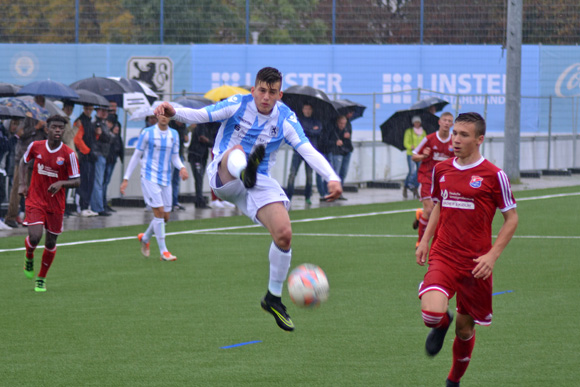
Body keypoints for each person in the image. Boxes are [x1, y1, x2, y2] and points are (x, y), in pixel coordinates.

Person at [154, 67, 342, 331]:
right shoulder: (238, 104)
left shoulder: (286, 118)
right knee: (236, 151)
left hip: (259, 181)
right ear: (253, 90)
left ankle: (273, 297)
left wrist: (332, 177)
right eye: (262, 91)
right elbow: (201, 114)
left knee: (284, 234)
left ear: (280, 94)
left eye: (272, 92)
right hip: (226, 175)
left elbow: (307, 150)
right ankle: (246, 170)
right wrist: (173, 111)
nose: (265, 97)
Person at [415, 112, 518, 387]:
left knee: (465, 330)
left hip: (476, 265)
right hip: (444, 255)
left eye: (464, 135)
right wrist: (425, 239)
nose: (456, 139)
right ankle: (441, 323)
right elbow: (439, 204)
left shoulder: (495, 175)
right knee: (431, 314)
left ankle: (453, 381)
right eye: (455, 133)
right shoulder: (442, 169)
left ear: (479, 139)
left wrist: (492, 255)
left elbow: (512, 218)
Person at [19, 115, 80, 292]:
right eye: (54, 127)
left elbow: (77, 180)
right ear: (47, 129)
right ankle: (29, 255)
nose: (58, 131)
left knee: (51, 242)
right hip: (36, 199)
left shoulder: (69, 154)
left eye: (61, 128)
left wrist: (62, 183)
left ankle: (41, 277)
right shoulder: (36, 146)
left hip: (56, 204)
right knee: (36, 236)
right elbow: (23, 163)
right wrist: (22, 184)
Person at [120, 114, 189, 261]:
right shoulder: (147, 133)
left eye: (167, 115)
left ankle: (145, 238)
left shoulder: (174, 134)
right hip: (149, 176)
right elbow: (136, 156)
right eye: (161, 115)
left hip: (166, 178)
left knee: (165, 217)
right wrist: (126, 178)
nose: (164, 118)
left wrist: (182, 167)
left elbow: (175, 157)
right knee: (159, 212)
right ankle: (164, 252)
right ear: (157, 116)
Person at [411, 112, 455, 247]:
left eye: (449, 121)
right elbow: (414, 156)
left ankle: (421, 215)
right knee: (430, 210)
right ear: (439, 122)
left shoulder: (454, 141)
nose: (447, 123)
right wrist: (423, 156)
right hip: (427, 177)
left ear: (452, 124)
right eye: (445, 120)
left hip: (444, 180)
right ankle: (420, 241)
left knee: (440, 212)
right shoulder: (429, 139)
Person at [285, 103, 323, 206]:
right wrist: (311, 131)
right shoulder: (298, 120)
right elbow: (298, 133)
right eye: (305, 108)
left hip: (309, 152)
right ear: (302, 109)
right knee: (292, 174)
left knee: (309, 176)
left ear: (312, 110)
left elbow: (318, 131)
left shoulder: (316, 121)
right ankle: (288, 197)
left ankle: (307, 197)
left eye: (309, 109)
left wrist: (307, 131)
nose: (307, 111)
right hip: (297, 151)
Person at [73, 104, 98, 217]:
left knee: (90, 182)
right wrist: (88, 151)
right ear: (84, 108)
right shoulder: (80, 121)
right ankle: (81, 207)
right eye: (87, 108)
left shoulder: (90, 122)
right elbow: (77, 139)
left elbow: (90, 138)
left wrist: (97, 135)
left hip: (90, 156)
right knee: (83, 182)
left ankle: (86, 206)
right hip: (84, 157)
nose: (89, 111)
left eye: (90, 109)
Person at [187, 122, 218, 209]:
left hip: (202, 155)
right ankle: (199, 201)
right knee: (199, 178)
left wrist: (209, 141)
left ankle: (199, 200)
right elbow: (203, 139)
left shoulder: (210, 127)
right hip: (196, 155)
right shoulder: (202, 125)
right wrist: (210, 141)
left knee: (200, 178)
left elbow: (210, 141)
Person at [326, 115, 353, 200]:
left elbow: (348, 141)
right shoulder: (333, 128)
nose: (342, 125)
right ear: (337, 123)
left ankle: (339, 192)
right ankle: (332, 192)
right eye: (341, 123)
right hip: (337, 152)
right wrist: (335, 142)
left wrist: (348, 137)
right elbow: (327, 140)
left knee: (343, 173)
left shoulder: (348, 127)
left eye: (344, 123)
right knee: (336, 173)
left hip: (346, 151)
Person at [102, 115, 124, 213]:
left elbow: (120, 147)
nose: (117, 128)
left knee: (106, 182)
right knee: (104, 182)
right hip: (108, 160)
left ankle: (104, 203)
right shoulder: (109, 136)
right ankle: (102, 203)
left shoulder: (116, 137)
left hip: (112, 160)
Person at [403, 115, 426, 199]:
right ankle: (406, 186)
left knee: (419, 171)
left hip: (419, 155)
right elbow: (405, 143)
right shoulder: (409, 131)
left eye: (418, 122)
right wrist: (410, 146)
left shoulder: (423, 132)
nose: (417, 124)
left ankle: (415, 187)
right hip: (411, 154)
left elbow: (425, 141)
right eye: (415, 122)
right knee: (411, 171)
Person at [169, 119, 189, 211]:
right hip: (170, 156)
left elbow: (185, 140)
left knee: (176, 180)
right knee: (169, 180)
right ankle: (168, 202)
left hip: (179, 155)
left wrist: (186, 137)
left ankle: (174, 201)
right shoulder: (171, 126)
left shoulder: (183, 126)